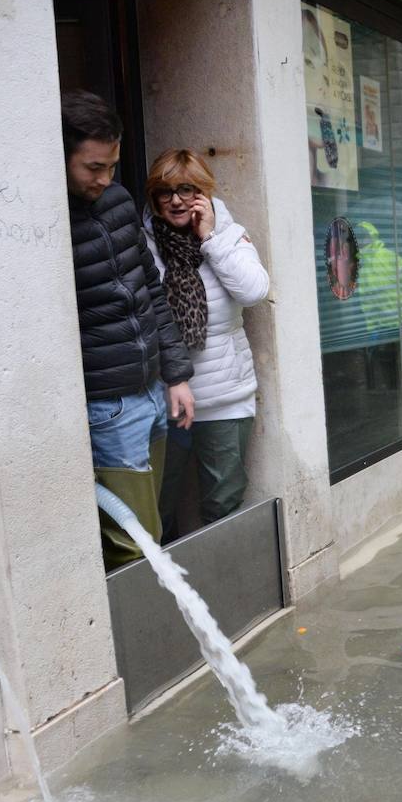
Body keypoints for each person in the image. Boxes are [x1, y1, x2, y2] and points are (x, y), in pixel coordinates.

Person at [63, 90, 194, 569]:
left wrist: (175, 376)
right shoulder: (47, 220)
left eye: (112, 166)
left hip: (153, 390)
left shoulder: (116, 201)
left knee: (149, 529)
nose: (105, 179)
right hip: (107, 405)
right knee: (132, 543)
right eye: (93, 167)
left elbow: (153, 293)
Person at [142, 150, 270, 537]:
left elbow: (253, 291)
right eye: (165, 192)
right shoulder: (142, 245)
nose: (177, 200)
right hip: (164, 398)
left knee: (223, 500)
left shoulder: (229, 236)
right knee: (157, 504)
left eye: (188, 189)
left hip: (224, 398)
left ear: (206, 192)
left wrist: (210, 238)